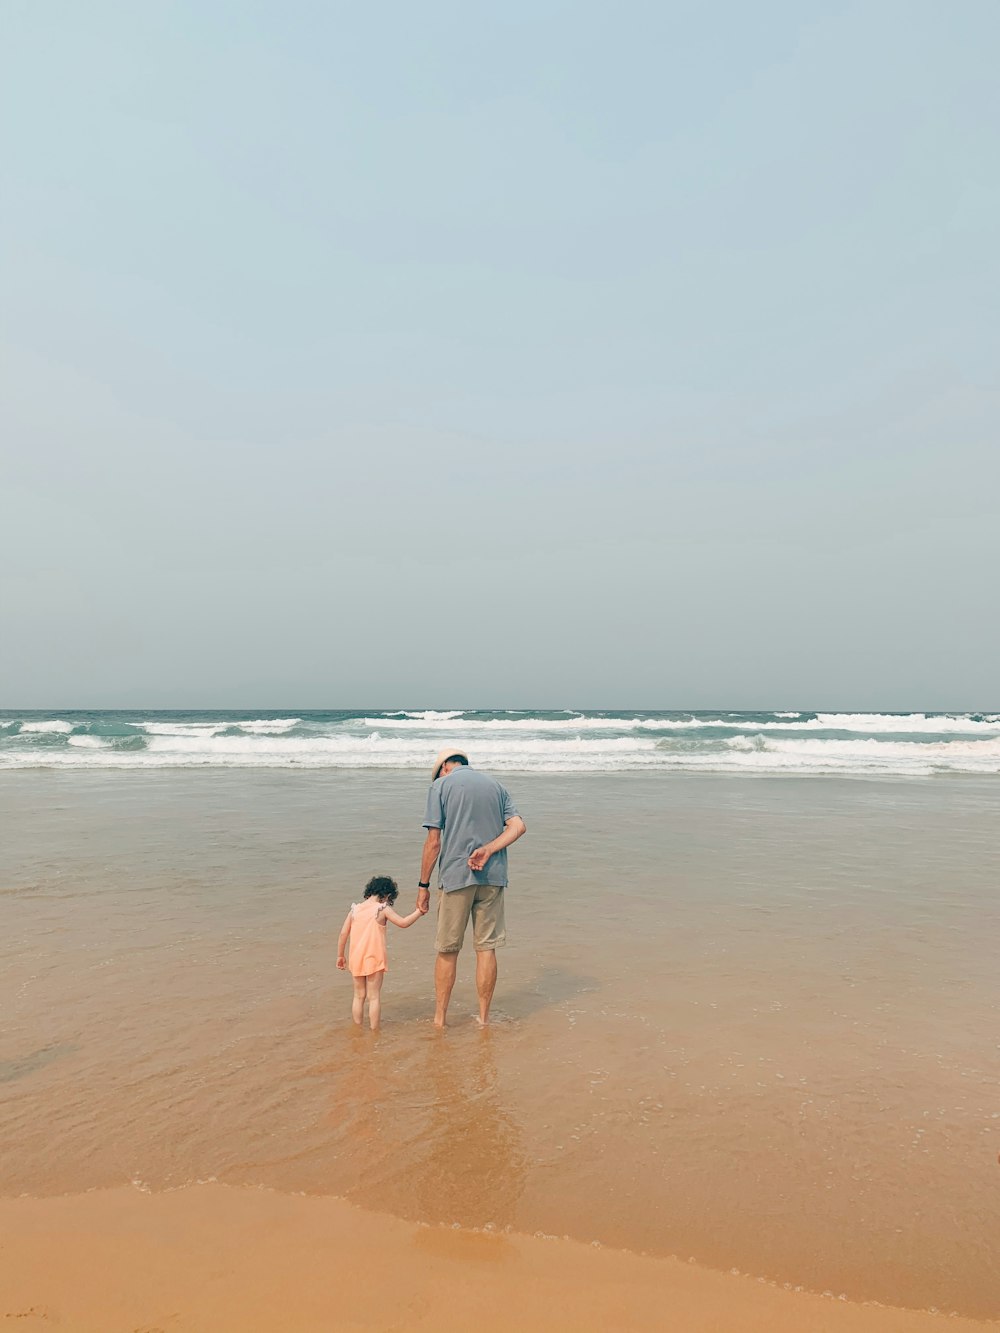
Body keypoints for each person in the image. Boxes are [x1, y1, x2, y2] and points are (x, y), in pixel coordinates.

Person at [416, 750, 526, 1028]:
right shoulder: (495, 786)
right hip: (493, 877)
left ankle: (440, 1019)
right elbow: (518, 827)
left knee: (447, 950)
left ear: (444, 768)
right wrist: (489, 849)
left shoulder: (440, 786)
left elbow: (433, 842)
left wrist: (423, 885)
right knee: (486, 949)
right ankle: (484, 1018)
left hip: (456, 876)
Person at [337, 875, 426, 1030]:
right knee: (374, 997)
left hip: (356, 958)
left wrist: (340, 955)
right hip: (374, 958)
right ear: (387, 895)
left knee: (358, 996)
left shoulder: (354, 910)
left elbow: (343, 933)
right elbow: (403, 923)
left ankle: (358, 1029)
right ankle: (374, 1030)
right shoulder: (382, 909)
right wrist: (419, 912)